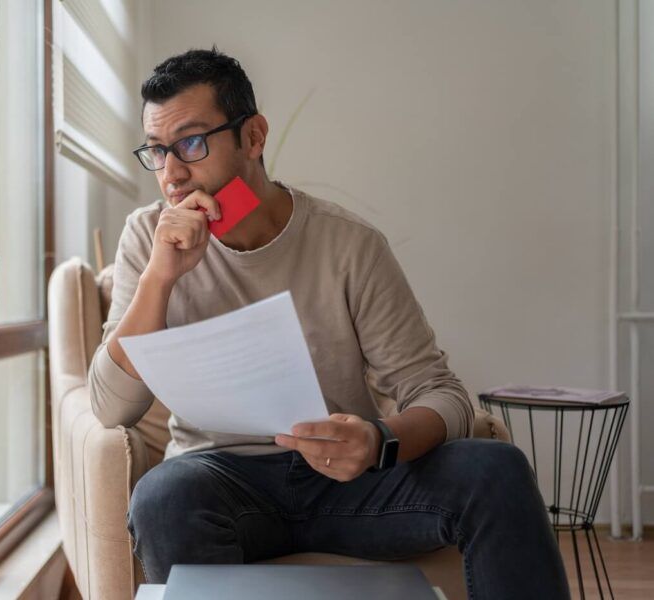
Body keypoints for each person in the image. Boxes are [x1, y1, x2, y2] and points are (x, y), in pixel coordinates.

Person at [87, 46, 570, 599]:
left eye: (192, 144)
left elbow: (440, 394)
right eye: (156, 151)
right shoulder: (148, 239)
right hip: (219, 481)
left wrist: (377, 440)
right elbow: (112, 407)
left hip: (351, 482)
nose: (171, 175)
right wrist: (160, 277)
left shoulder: (349, 245)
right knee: (162, 497)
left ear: (253, 136)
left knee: (496, 469)